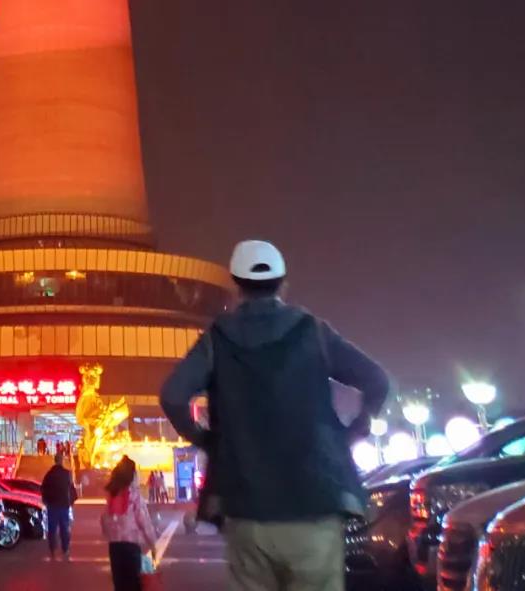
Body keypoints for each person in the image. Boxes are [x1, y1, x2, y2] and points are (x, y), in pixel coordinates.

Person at [160, 239, 389, 591]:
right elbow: (376, 380)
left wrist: (208, 441)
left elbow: (172, 395)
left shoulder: (217, 339)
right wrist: (355, 429)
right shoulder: (312, 331)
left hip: (247, 508)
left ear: (236, 286)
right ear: (283, 284)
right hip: (315, 504)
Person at [100, 455, 158, 591]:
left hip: (115, 548)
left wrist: (110, 536)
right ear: (132, 475)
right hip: (131, 547)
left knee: (119, 585)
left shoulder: (112, 496)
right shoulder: (135, 496)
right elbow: (144, 521)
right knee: (133, 584)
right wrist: (152, 544)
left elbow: (104, 520)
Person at [41, 450, 77, 560]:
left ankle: (52, 549)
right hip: (64, 505)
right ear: (61, 461)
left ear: (55, 460)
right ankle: (65, 549)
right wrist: (71, 501)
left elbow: (43, 488)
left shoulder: (49, 474)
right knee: (64, 528)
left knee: (52, 528)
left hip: (52, 505)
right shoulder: (66, 474)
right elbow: (71, 488)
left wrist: (46, 500)